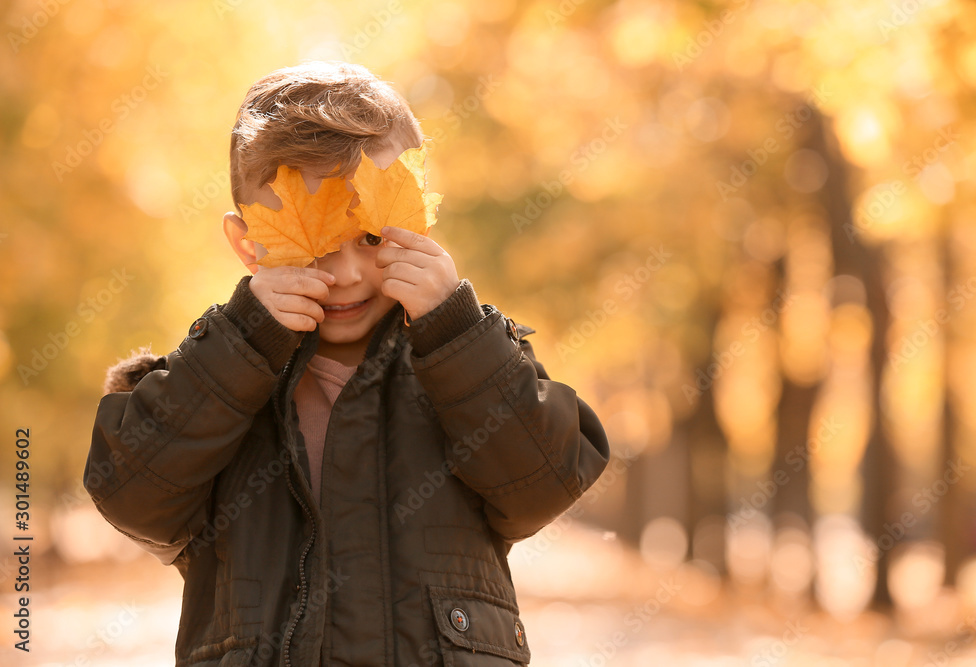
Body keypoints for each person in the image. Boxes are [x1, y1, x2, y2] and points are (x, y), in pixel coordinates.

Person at [85, 60, 610, 667]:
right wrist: (244, 341)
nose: (345, 274)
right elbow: (130, 494)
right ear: (247, 243)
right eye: (313, 245)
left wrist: (458, 332)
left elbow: (544, 483)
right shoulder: (222, 370)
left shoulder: (461, 359)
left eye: (369, 237)